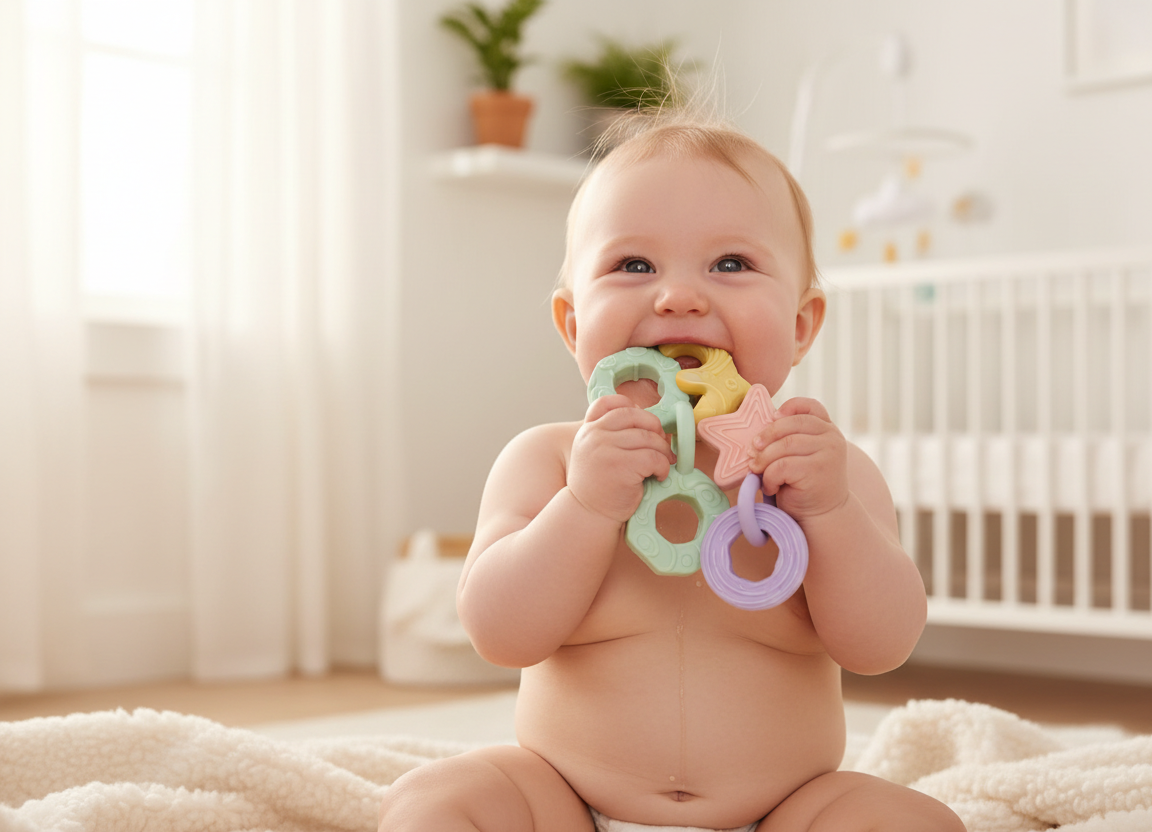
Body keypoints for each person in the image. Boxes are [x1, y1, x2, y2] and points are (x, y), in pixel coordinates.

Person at [380, 108, 966, 832]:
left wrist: (831, 514)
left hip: (784, 812)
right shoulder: (547, 460)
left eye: (731, 264)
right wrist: (586, 506)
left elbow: (882, 646)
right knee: (435, 800)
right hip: (566, 805)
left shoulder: (826, 474)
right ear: (572, 324)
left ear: (800, 325)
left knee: (911, 820)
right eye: (634, 266)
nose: (679, 296)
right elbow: (499, 632)